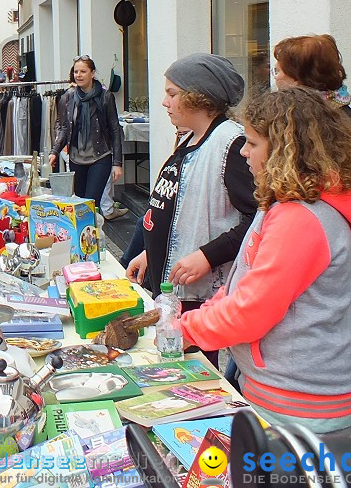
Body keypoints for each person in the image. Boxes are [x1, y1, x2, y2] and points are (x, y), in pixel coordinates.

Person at [181, 87, 351, 433]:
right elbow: (242, 284)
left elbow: (251, 311)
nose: (243, 151)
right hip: (286, 393)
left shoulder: (301, 218)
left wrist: (186, 330)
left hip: (303, 405)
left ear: (286, 150)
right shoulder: (284, 203)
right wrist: (197, 320)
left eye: (252, 143)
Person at [126, 54, 257, 363]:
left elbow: (258, 221)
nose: (163, 102)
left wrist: (207, 255)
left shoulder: (231, 145)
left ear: (199, 96)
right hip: (174, 289)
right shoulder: (189, 139)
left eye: (172, 93)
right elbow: (178, 207)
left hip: (198, 297)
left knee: (194, 375)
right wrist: (151, 252)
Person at [272, 34, 351, 213]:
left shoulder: (346, 127)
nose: (275, 79)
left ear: (298, 79)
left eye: (278, 71)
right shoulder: (295, 117)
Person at [49, 56, 124, 210]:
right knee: (80, 205)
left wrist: (117, 163)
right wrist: (54, 151)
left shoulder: (105, 97)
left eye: (83, 71)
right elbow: (64, 128)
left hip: (100, 157)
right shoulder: (67, 97)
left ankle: (93, 232)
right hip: (76, 159)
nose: (78, 75)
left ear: (92, 73)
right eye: (76, 71)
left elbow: (115, 130)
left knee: (91, 203)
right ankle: (89, 233)